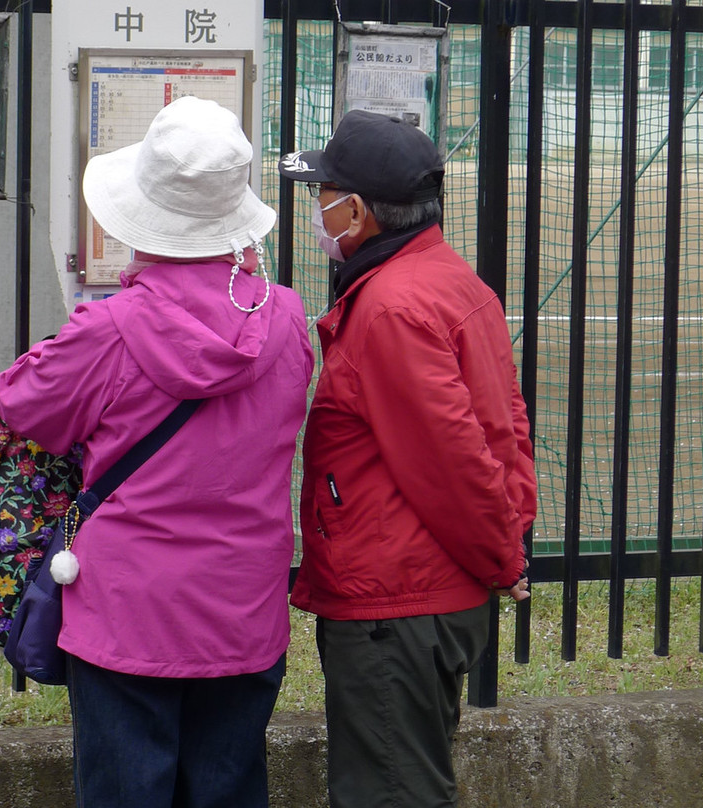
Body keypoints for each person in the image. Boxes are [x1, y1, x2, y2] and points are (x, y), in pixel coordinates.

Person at [0, 95, 314, 808]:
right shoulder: (287, 318)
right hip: (243, 603)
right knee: (230, 785)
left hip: (127, 608)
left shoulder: (108, 329)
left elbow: (22, 404)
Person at [278, 110, 537, 808]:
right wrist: (506, 540)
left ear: (356, 210)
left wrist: (502, 557)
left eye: (321, 195)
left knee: (389, 793)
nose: (316, 210)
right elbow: (506, 426)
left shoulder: (391, 307)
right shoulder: (451, 280)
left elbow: (451, 460)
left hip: (396, 603)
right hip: (430, 590)